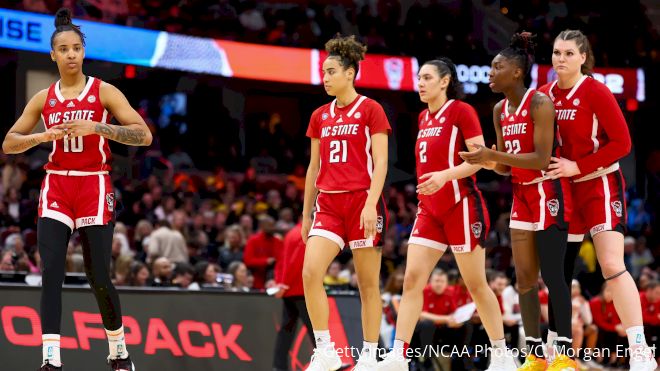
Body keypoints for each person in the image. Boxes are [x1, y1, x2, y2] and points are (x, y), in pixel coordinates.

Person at [2, 8, 152, 371]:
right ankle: (51, 359)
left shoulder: (104, 91)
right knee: (50, 271)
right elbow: (9, 143)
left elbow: (144, 135)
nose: (70, 54)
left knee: (99, 275)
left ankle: (118, 351)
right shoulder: (43, 98)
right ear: (53, 55)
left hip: (94, 184)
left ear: (83, 52)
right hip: (57, 184)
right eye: (63, 49)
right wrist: (43, 135)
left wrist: (98, 128)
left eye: (76, 48)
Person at [377, 57, 516, 371]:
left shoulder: (461, 111)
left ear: (444, 81)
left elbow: (480, 159)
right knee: (412, 280)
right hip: (430, 211)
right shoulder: (423, 118)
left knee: (476, 284)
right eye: (418, 78)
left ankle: (502, 355)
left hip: (461, 205)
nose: (420, 83)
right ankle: (399, 356)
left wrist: (444, 176)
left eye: (426, 77)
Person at [540, 29, 656, 370]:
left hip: (599, 184)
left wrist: (578, 165)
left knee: (610, 264)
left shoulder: (595, 91)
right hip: (565, 191)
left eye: (568, 53)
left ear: (582, 57)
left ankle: (639, 349)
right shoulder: (545, 95)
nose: (560, 59)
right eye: (557, 52)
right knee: (558, 272)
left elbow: (622, 144)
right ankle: (555, 346)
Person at [460, 32, 576, 370]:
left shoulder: (540, 103)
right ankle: (535, 354)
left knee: (554, 276)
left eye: (497, 67)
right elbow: (503, 164)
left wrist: (494, 155)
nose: (491, 73)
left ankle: (564, 354)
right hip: (520, 195)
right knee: (524, 278)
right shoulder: (498, 109)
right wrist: (483, 160)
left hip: (546, 191)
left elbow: (541, 158)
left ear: (516, 72)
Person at [301, 34, 391, 371]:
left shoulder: (371, 109)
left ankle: (369, 355)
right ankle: (325, 350)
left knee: (367, 283)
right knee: (310, 273)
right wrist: (306, 213)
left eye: (331, 71)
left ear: (350, 73)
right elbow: (313, 167)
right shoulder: (319, 116)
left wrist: (371, 204)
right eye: (323, 72)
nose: (325, 77)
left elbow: (380, 162)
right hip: (328, 204)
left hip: (362, 203)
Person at [272, 221, 315, 371]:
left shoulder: (292, 233)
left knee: (287, 330)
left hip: (291, 290)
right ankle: (329, 362)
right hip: (299, 289)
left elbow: (282, 261)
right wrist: (284, 283)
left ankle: (278, 367)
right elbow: (295, 263)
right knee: (316, 327)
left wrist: (281, 283)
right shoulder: (303, 234)